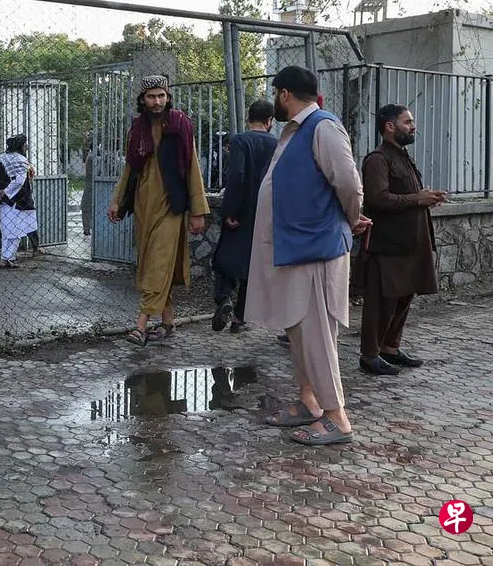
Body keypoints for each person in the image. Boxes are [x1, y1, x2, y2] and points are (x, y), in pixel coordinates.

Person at [245, 66, 370, 446]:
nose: (275, 100)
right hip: (296, 248)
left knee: (316, 335)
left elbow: (348, 183)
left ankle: (336, 418)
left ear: (284, 94)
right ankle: (309, 401)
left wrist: (352, 218)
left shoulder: (323, 127)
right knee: (298, 331)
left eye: (276, 93)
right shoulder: (297, 130)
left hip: (315, 250)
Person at [108, 75, 209, 346]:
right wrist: (117, 200)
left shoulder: (180, 124)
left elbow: (192, 167)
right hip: (144, 205)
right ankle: (167, 321)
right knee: (152, 263)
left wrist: (198, 210)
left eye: (161, 96)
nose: (157, 102)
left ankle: (140, 325)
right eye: (151, 97)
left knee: (157, 264)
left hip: (171, 206)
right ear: (142, 99)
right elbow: (129, 168)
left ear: (168, 97)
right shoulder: (137, 129)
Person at [358, 104, 443, 375]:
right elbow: (377, 199)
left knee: (405, 296)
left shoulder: (402, 156)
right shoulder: (378, 159)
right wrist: (417, 198)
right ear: (390, 126)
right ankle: (369, 355)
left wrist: (426, 198)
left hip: (411, 242)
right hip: (388, 244)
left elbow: (406, 195)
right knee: (382, 300)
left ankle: (390, 348)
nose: (413, 126)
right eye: (407, 122)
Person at [210, 100, 277, 334]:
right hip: (264, 213)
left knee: (225, 258)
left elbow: (236, 176)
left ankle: (224, 297)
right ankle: (240, 317)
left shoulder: (240, 140)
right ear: (270, 121)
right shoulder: (276, 144)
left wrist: (231, 211)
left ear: (249, 118)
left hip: (240, 212)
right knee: (253, 265)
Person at [0, 134, 39, 269]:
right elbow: (19, 181)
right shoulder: (21, 160)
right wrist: (6, 192)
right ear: (21, 146)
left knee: (6, 230)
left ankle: (7, 258)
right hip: (17, 200)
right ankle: (7, 258)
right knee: (15, 230)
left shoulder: (0, 158)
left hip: (1, 200)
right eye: (25, 144)